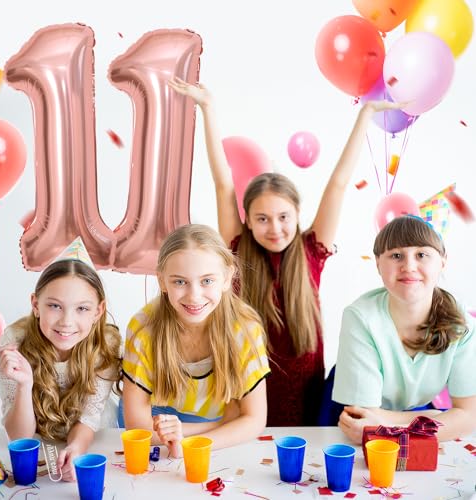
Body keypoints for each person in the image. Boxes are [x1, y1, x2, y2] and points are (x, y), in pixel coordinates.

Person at [168, 76, 404, 425]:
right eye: (262, 218)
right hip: (250, 385)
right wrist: (208, 108)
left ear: (297, 216)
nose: (274, 228)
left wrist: (365, 115)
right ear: (246, 220)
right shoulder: (237, 249)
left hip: (305, 387)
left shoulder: (312, 250)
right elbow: (223, 183)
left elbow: (338, 184)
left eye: (283, 217)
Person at [123, 224, 270, 457]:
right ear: (162, 281)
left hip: (207, 435)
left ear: (227, 278)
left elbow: (254, 419)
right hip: (161, 424)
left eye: (207, 281)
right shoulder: (143, 328)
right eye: (180, 282)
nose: (194, 295)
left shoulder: (245, 329)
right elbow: (138, 427)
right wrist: (221, 424)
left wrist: (185, 443)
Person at [333, 216, 476, 443]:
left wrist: (389, 425)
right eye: (396, 255)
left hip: (401, 417)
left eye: (421, 255)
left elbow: (468, 416)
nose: (409, 266)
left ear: (442, 261)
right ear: (378, 263)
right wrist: (431, 417)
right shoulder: (360, 317)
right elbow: (361, 418)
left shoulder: (463, 323)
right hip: (350, 409)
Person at [0, 238, 122, 481]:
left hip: (95, 439)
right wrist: (25, 385)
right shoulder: (15, 342)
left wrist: (76, 449)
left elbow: (88, 417)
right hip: (40, 442)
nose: (66, 321)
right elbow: (19, 437)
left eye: (82, 309)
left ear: (98, 311)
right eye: (55, 306)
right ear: (35, 304)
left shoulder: (106, 345)